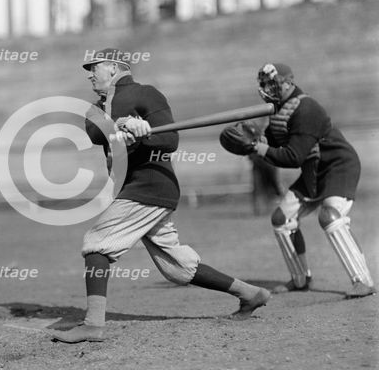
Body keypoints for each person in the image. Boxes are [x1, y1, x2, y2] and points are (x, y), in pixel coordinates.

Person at [51, 48, 271, 344]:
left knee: (96, 244)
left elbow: (170, 141)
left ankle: (93, 325)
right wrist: (121, 125)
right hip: (136, 188)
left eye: (95, 68)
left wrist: (146, 134)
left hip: (150, 185)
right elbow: (92, 131)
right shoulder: (97, 108)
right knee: (177, 267)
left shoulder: (146, 94)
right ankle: (251, 293)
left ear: (115, 69)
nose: (90, 74)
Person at [248, 63, 375, 298]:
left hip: (339, 167)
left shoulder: (306, 109)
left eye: (274, 84)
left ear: (289, 82)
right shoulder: (279, 111)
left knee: (330, 217)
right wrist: (251, 141)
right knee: (281, 219)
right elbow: (275, 147)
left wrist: (261, 149)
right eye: (265, 84)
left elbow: (292, 157)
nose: (269, 89)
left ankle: (363, 281)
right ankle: (300, 279)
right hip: (313, 171)